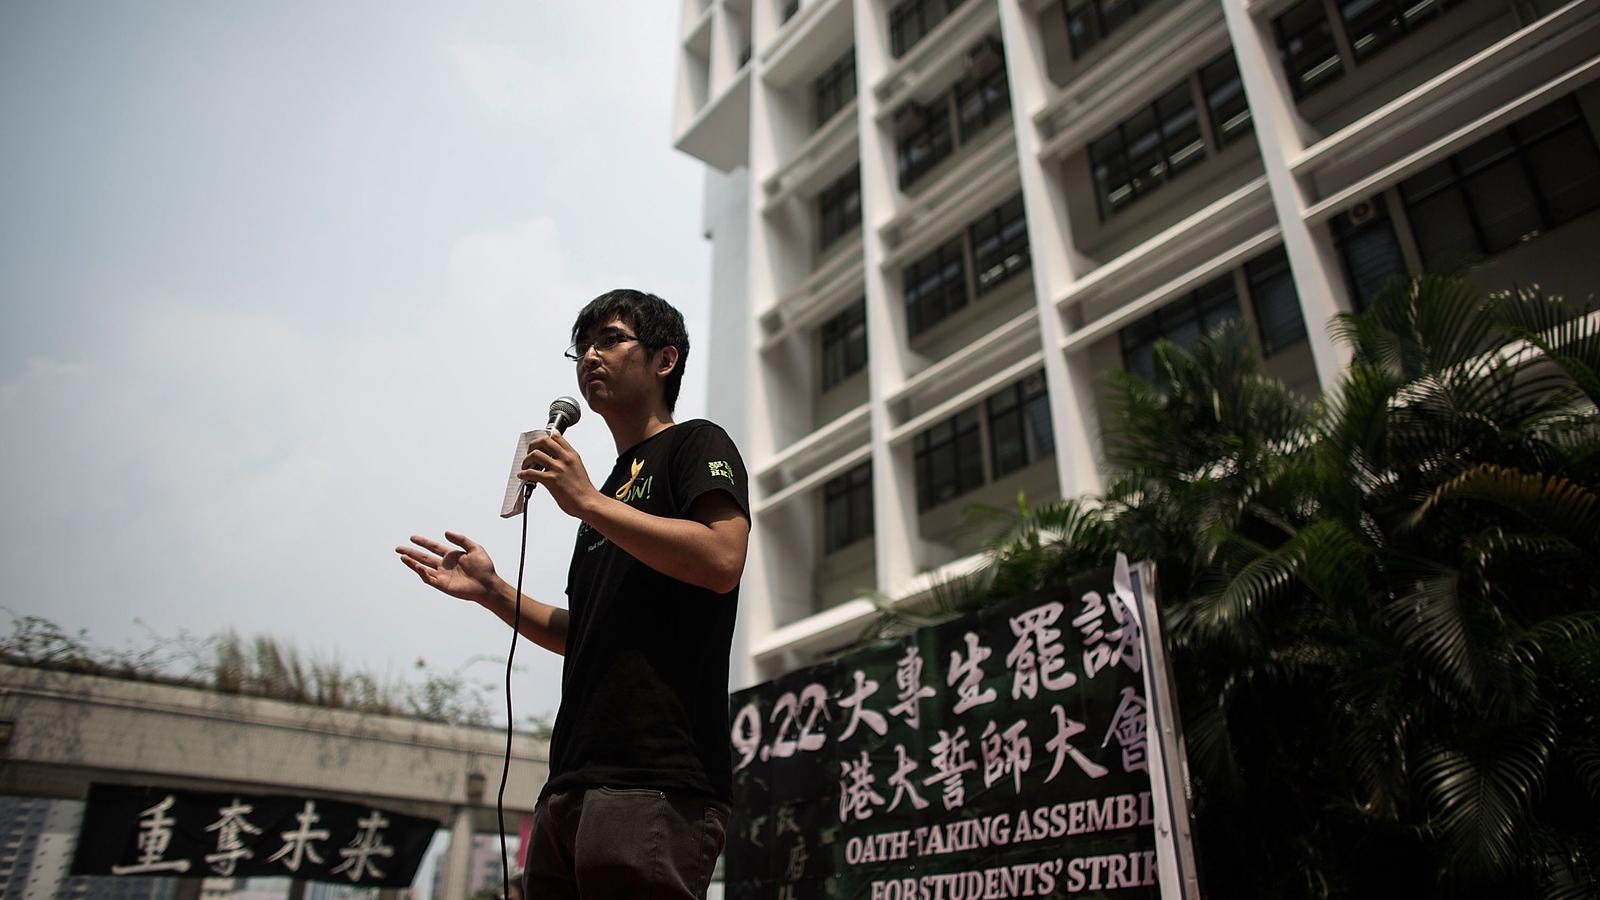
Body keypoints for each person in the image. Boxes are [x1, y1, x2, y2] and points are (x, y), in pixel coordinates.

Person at [395, 290, 750, 900]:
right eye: (581, 346)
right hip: (570, 784)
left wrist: (587, 501)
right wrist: (492, 591)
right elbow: (582, 631)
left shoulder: (696, 444)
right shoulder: (602, 496)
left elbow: (722, 559)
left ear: (665, 360)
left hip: (655, 780)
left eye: (610, 339)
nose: (590, 356)